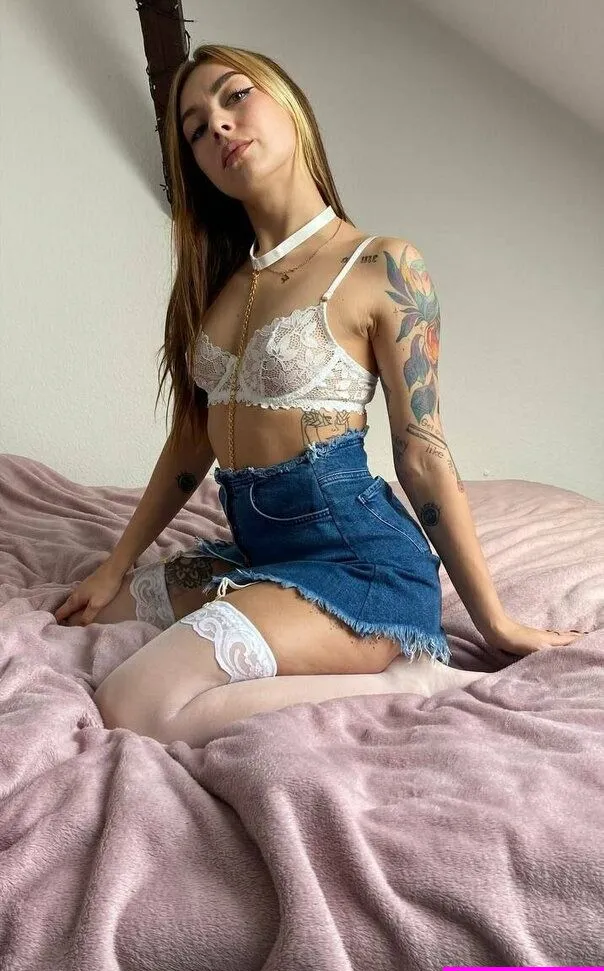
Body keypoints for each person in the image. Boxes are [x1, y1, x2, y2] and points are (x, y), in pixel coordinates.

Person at [53, 44, 586, 748]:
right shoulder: (216, 285)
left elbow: (423, 455)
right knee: (101, 611)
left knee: (132, 702)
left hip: (358, 561)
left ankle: (407, 681)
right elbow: (190, 441)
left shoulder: (381, 265)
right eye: (194, 127)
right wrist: (115, 563)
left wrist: (496, 623)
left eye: (235, 96)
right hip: (259, 552)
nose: (217, 125)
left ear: (291, 106)